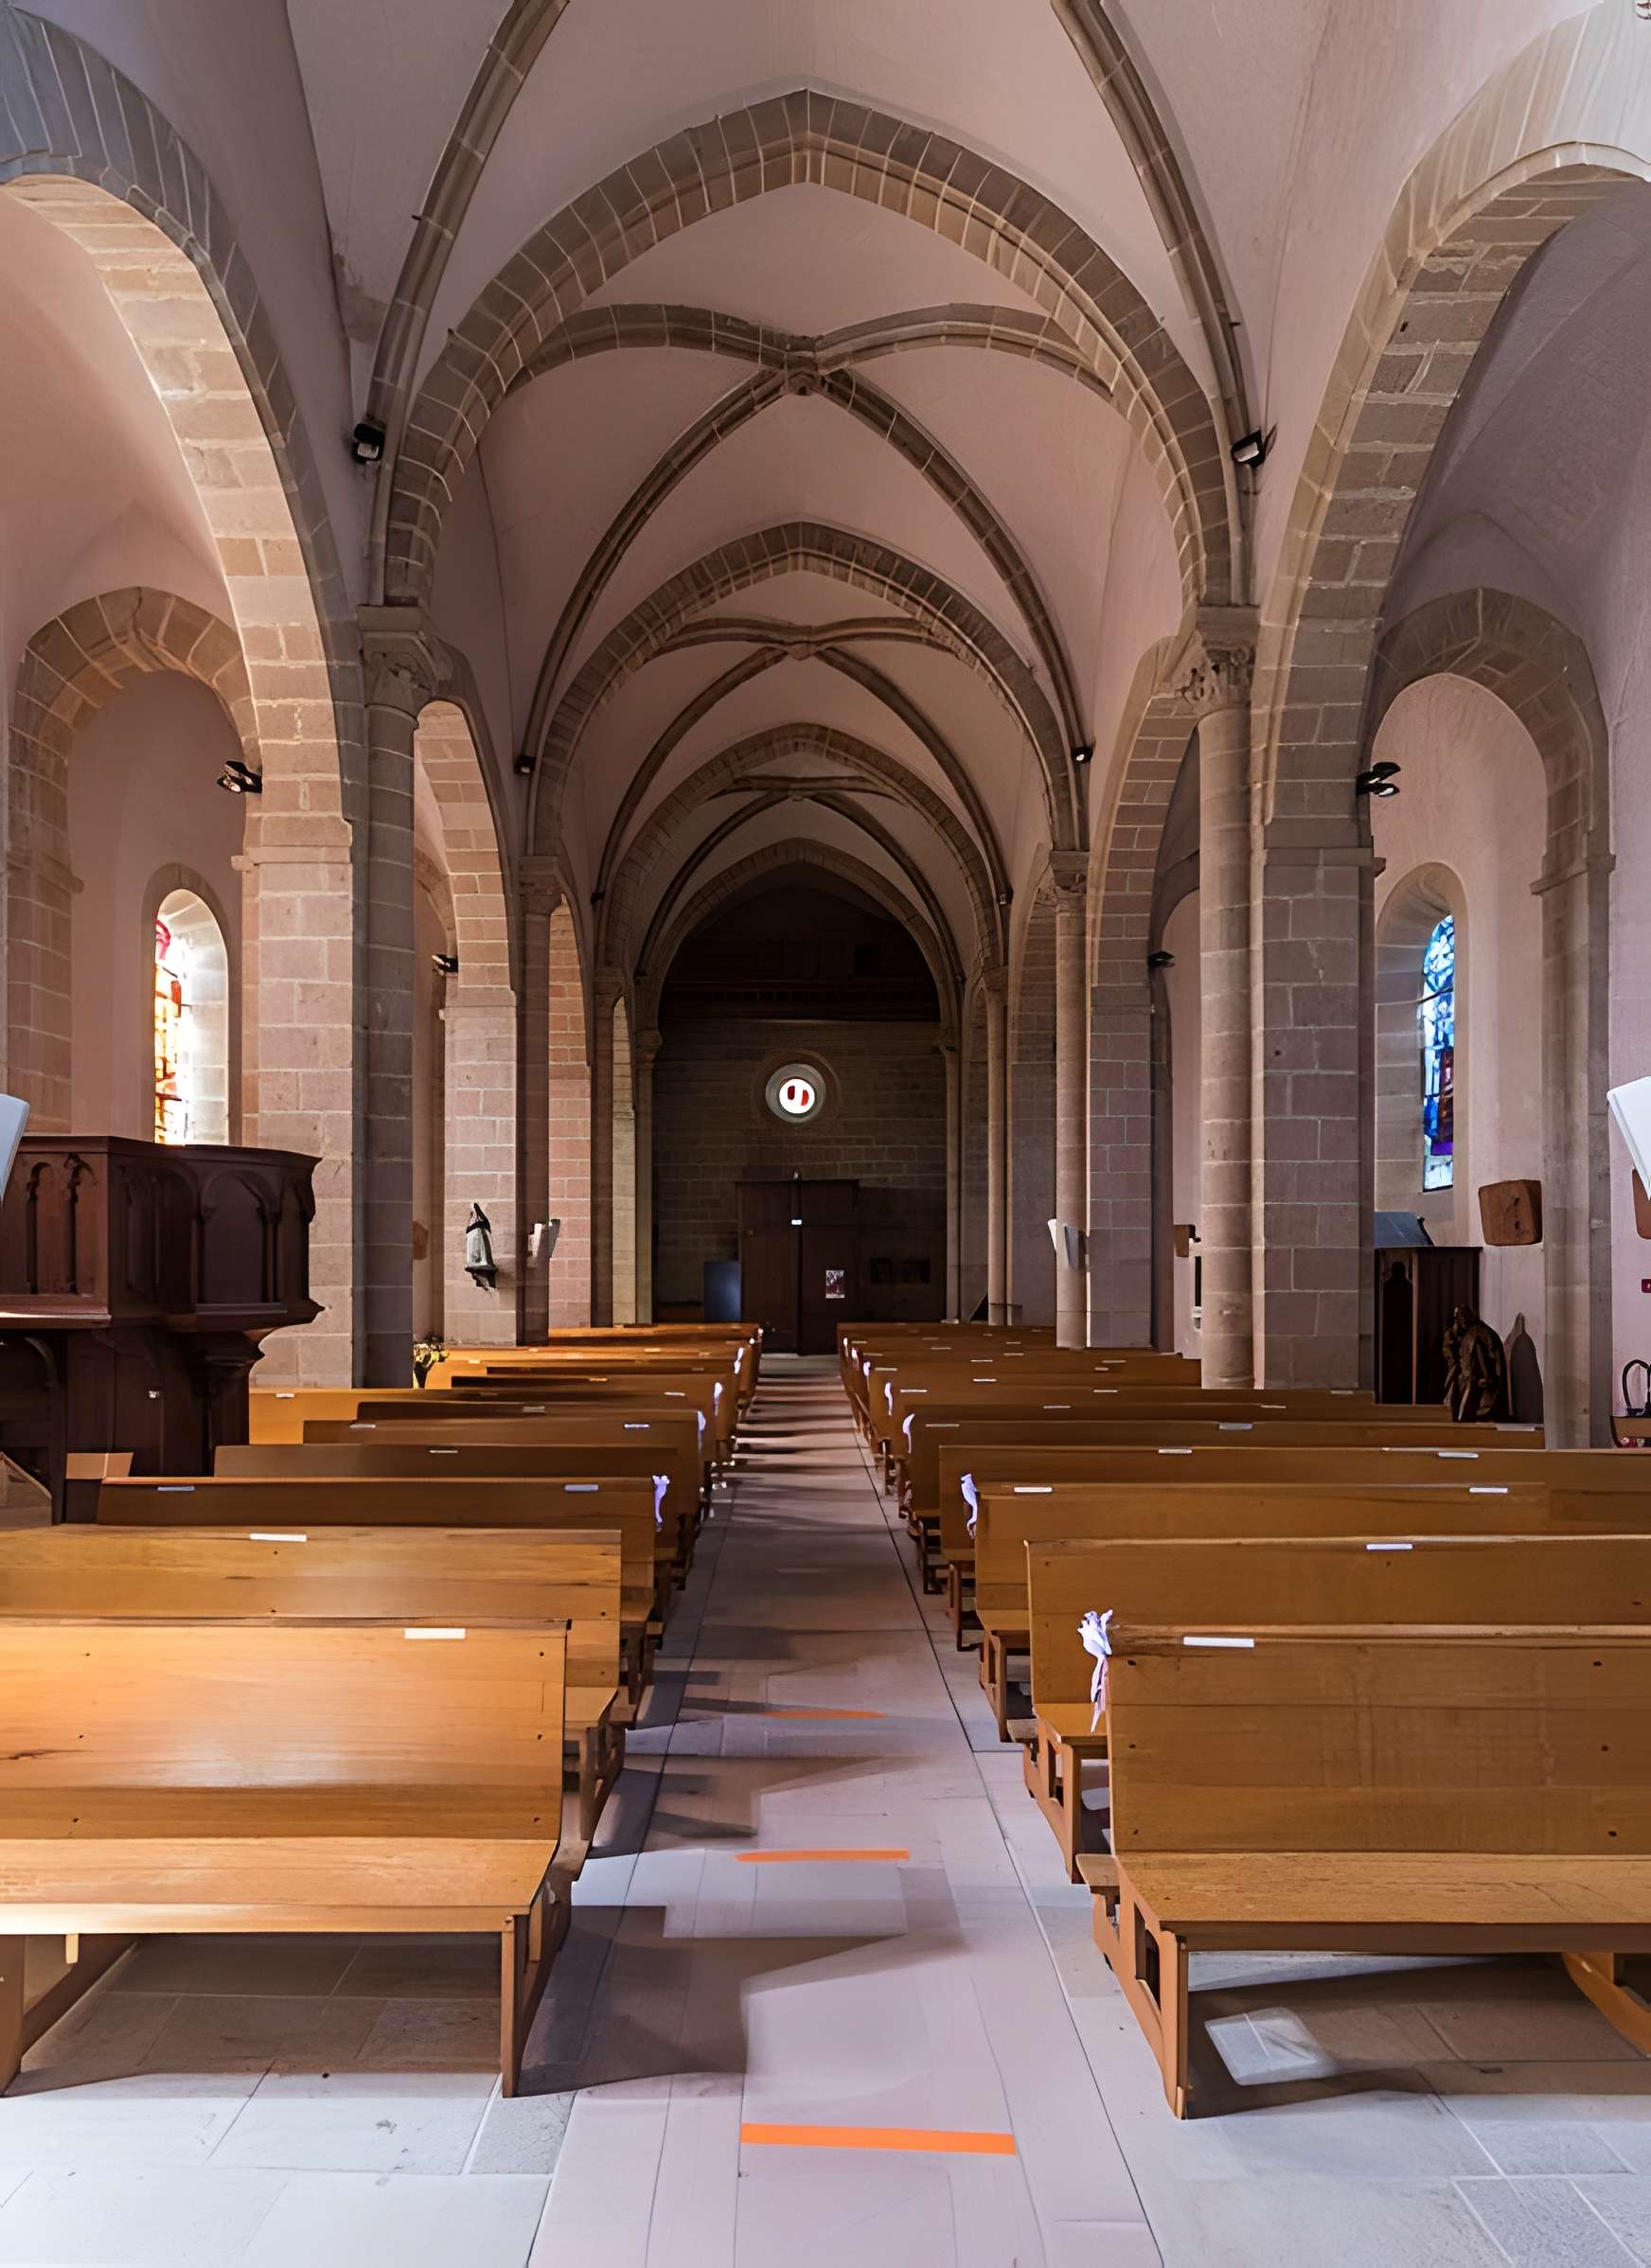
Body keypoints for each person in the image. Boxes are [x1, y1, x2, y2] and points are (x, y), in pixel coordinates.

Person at [1442, 1302, 1507, 1422]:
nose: (1456, 1324)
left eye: (1458, 1319)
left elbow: (1478, 1363)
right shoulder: (1479, 1332)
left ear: (1462, 1319)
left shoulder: (1475, 1334)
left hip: (1483, 1392)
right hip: (1481, 1386)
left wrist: (1482, 1379)